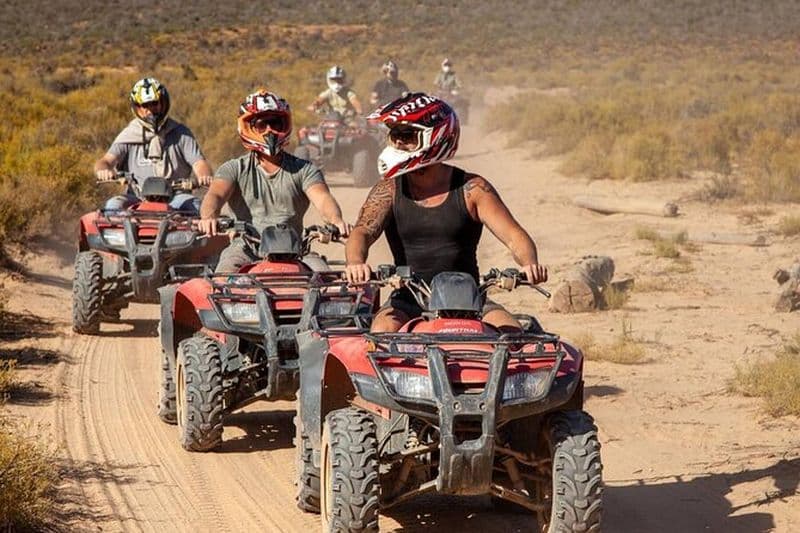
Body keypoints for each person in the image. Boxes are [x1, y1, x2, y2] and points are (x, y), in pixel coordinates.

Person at [344, 93, 548, 332]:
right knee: (380, 333)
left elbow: (514, 236)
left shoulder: (473, 189)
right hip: (409, 299)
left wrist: (529, 264)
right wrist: (355, 263)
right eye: (395, 135)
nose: (398, 143)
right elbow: (362, 232)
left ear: (436, 137)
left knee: (515, 338)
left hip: (471, 300)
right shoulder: (388, 189)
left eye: (407, 136)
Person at [199, 89, 350, 272]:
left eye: (275, 123)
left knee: (326, 282)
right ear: (248, 127)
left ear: (285, 125)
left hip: (296, 251)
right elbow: (215, 194)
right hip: (246, 249)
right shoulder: (234, 168)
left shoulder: (304, 169)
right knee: (223, 280)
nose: (270, 130)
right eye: (262, 124)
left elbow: (323, 198)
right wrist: (209, 217)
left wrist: (336, 221)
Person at [94, 77, 213, 212]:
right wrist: (103, 170)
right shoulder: (129, 135)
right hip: (137, 198)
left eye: (155, 103)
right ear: (137, 108)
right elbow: (106, 160)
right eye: (145, 106)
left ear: (163, 103)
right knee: (112, 206)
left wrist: (204, 176)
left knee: (197, 207)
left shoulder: (181, 133)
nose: (150, 110)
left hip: (176, 198)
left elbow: (199, 163)